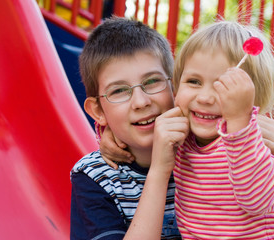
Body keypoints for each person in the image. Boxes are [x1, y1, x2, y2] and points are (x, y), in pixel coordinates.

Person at [168, 20, 274, 239]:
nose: (205, 97)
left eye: (224, 85)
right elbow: (140, 135)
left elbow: (257, 201)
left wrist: (239, 121)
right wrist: (110, 137)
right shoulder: (182, 134)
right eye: (194, 81)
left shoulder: (256, 144)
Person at [70, 16, 188, 239]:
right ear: (98, 112)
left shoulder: (207, 154)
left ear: (175, 86)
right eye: (119, 91)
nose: (141, 101)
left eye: (152, 81)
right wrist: (160, 170)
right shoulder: (95, 177)